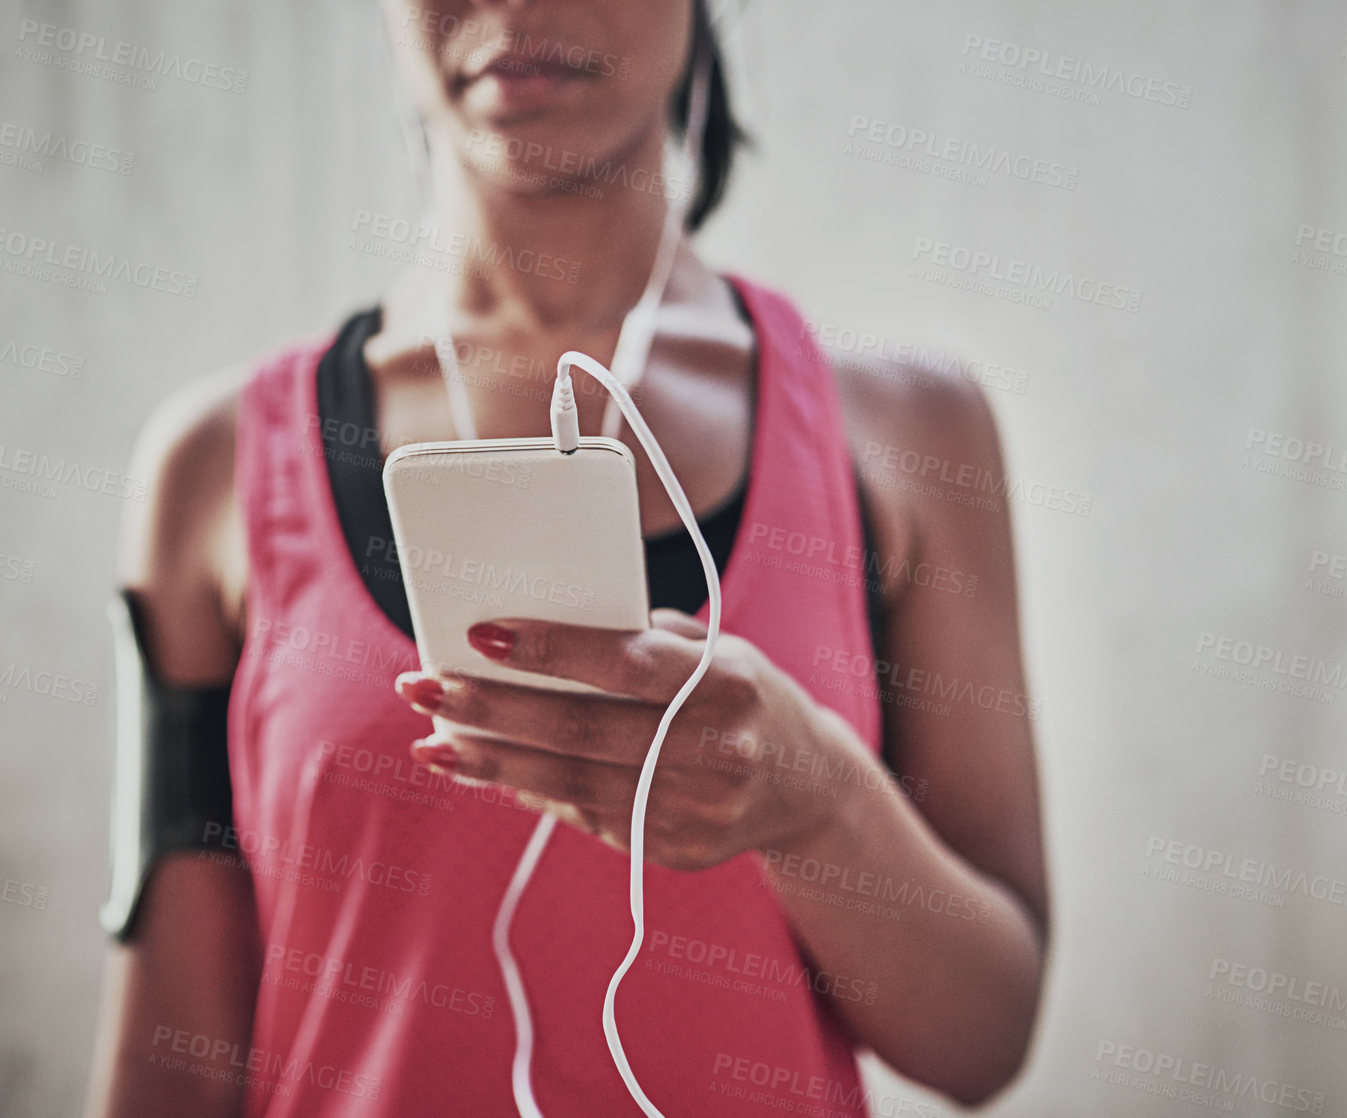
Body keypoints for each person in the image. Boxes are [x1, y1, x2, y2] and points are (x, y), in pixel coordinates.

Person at [85, 2, 1048, 1115]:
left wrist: (817, 803)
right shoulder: (216, 467)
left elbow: (988, 1035)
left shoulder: (905, 432)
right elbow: (173, 1064)